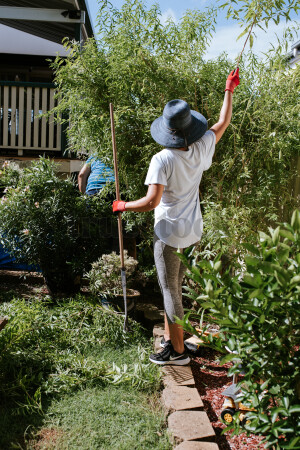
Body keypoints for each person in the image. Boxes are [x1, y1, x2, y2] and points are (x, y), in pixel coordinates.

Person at [112, 69, 240, 365]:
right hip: (192, 231)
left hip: (169, 232)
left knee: (169, 292)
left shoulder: (163, 158)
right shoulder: (201, 146)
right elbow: (223, 122)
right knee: (176, 287)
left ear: (168, 130)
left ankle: (178, 353)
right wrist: (228, 91)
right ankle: (173, 340)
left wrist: (123, 206)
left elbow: (151, 201)